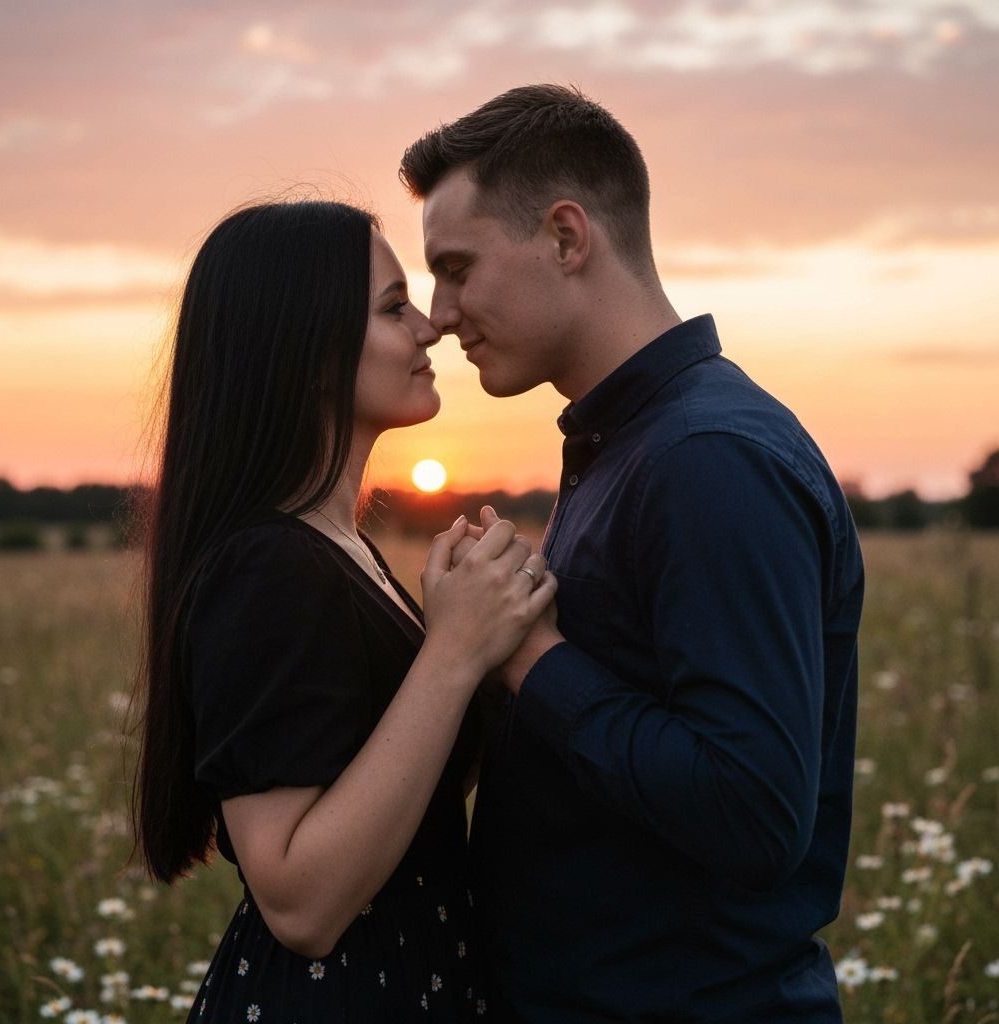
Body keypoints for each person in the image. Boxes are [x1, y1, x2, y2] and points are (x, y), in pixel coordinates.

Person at [399, 84, 864, 1023]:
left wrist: (531, 658)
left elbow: (753, 812)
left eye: (456, 267)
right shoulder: (633, 446)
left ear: (567, 237)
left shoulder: (708, 459)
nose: (439, 314)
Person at [131, 199, 556, 1022]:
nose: (430, 328)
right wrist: (454, 653)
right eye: (394, 308)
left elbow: (401, 792)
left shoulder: (339, 550)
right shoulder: (266, 567)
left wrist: (493, 641)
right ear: (311, 352)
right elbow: (300, 904)